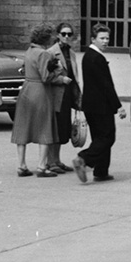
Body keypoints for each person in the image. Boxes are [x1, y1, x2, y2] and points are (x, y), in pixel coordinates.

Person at [11, 24, 74, 178]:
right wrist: (59, 74)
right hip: (40, 91)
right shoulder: (43, 54)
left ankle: (21, 165)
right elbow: (46, 77)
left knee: (23, 127)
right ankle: (41, 166)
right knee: (45, 126)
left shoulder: (29, 51)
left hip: (27, 89)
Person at [73, 24, 126, 183]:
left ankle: (101, 170)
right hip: (101, 105)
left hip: (91, 104)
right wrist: (118, 106)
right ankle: (84, 158)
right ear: (93, 39)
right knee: (107, 137)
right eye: (102, 38)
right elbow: (106, 85)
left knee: (99, 137)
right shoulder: (97, 58)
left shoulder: (89, 55)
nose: (105, 41)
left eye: (107, 38)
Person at [47, 22, 81, 172]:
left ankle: (57, 160)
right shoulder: (51, 52)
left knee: (62, 129)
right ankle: (50, 161)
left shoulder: (71, 53)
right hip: (55, 95)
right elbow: (45, 76)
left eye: (69, 34)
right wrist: (60, 80)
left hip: (67, 94)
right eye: (64, 34)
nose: (66, 37)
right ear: (58, 35)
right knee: (54, 128)